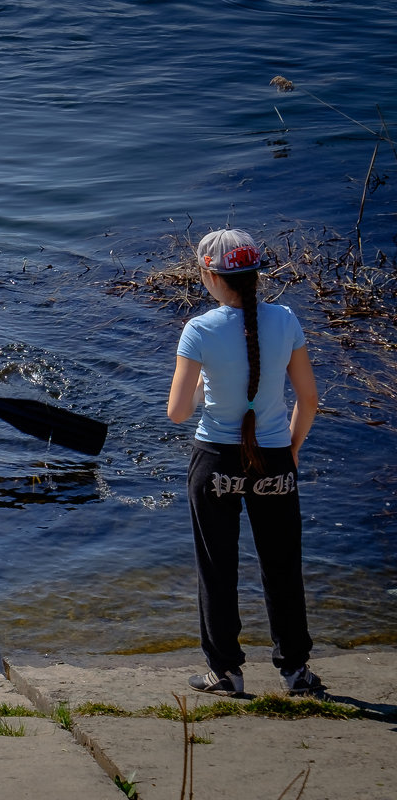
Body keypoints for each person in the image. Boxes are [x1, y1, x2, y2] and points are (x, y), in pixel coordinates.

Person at [167, 228, 322, 697]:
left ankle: (226, 673)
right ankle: (296, 671)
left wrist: (204, 391)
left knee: (217, 568)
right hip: (273, 458)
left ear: (208, 275)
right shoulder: (287, 320)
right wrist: (290, 451)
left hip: (215, 460)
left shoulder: (199, 330)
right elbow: (309, 400)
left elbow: (177, 413)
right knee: (282, 566)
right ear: (255, 274)